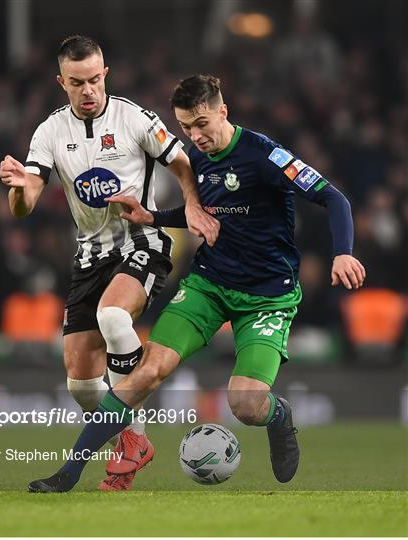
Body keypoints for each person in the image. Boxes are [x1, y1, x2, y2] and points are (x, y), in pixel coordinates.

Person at [28, 74, 366, 493]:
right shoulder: (195, 157)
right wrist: (152, 217)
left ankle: (279, 416)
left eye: (202, 124)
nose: (195, 136)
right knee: (147, 371)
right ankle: (70, 472)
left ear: (223, 111)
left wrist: (344, 251)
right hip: (208, 285)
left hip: (267, 297)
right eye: (186, 127)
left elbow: (335, 198)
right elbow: (202, 214)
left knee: (244, 404)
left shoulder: (264, 155)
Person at [0, 39, 219, 492]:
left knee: (114, 315)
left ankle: (132, 443)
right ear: (62, 82)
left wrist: (193, 208)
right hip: (90, 255)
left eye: (95, 80)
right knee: (80, 383)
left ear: (106, 74)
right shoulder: (49, 133)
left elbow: (180, 161)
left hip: (143, 241)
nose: (88, 90)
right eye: (77, 82)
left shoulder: (132, 117)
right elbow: (26, 204)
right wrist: (20, 187)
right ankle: (133, 441)